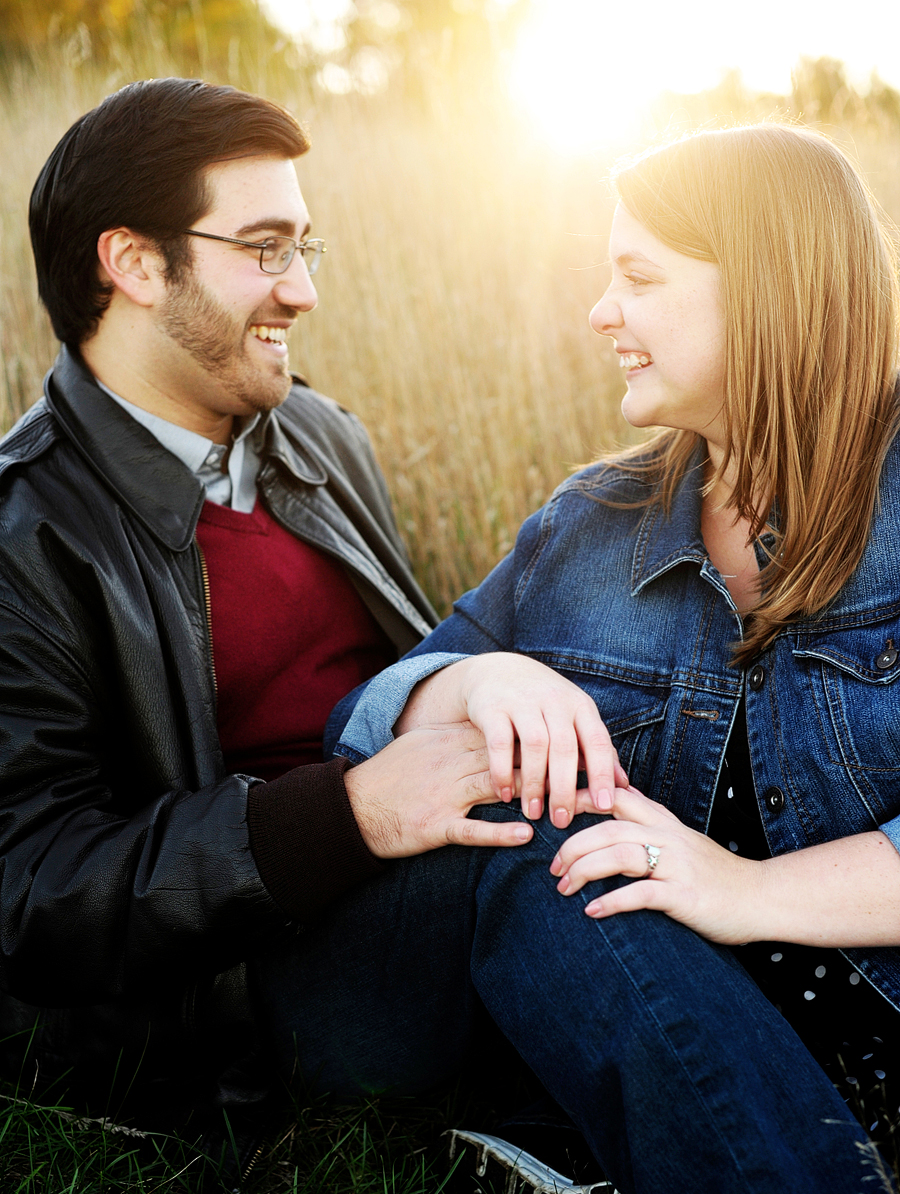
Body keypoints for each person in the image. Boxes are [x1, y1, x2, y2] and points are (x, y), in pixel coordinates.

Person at [0, 75, 633, 1181]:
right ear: (137, 265)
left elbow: (408, 660)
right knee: (554, 835)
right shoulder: (25, 536)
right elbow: (27, 887)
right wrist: (344, 816)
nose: (303, 292)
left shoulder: (319, 436)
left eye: (308, 248)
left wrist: (479, 691)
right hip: (246, 993)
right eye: (264, 248)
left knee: (622, 717)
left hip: (410, 878)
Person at [330, 122, 900, 1191]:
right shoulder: (590, 523)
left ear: (770, 290)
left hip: (867, 1022)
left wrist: (743, 888)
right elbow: (367, 719)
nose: (601, 313)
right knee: (528, 805)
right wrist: (476, 678)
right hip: (622, 1008)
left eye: (638, 276)